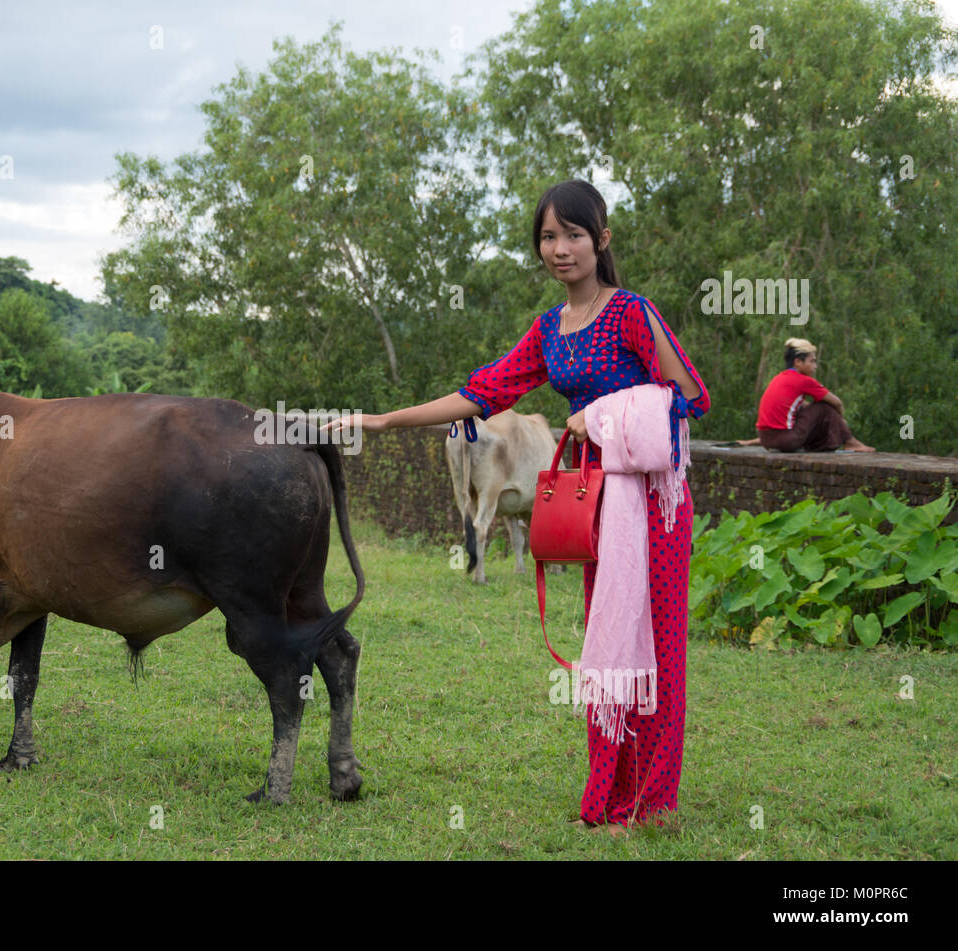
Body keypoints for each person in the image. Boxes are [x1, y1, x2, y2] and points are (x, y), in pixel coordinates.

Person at [322, 179, 709, 833]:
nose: (561, 249)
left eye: (575, 234)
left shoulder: (632, 312)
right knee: (607, 640)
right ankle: (610, 793)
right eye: (549, 236)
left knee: (660, 647)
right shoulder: (549, 330)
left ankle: (654, 803)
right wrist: (385, 420)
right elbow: (480, 392)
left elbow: (690, 396)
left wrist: (600, 414)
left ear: (602, 240)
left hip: (651, 501)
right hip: (594, 505)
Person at [738, 339, 874, 451]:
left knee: (804, 407)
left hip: (767, 440)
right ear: (798, 362)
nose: (815, 366)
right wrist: (841, 421)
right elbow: (837, 403)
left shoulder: (779, 378)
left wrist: (749, 442)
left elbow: (776, 424)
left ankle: (833, 443)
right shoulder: (804, 381)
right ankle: (851, 442)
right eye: (812, 361)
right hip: (786, 441)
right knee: (824, 407)